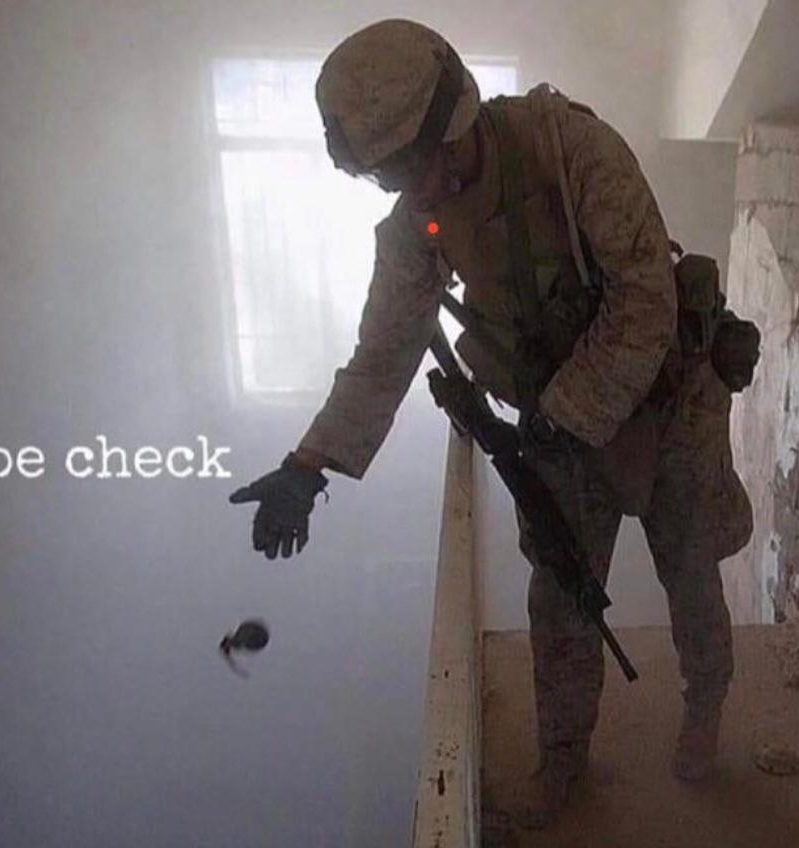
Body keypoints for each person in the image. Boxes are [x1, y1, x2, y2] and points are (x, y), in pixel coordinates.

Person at [228, 18, 754, 828]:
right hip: (561, 421)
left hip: (668, 397)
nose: (407, 191)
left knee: (689, 573)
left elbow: (644, 302)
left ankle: (704, 707)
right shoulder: (415, 228)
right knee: (562, 599)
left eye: (407, 166)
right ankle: (563, 763)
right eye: (385, 175)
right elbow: (383, 353)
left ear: (453, 122)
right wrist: (310, 463)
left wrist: (560, 419)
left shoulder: (570, 151)